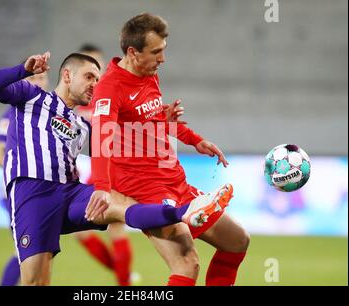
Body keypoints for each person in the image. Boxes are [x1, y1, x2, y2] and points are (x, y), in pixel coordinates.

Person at [0, 51, 229, 285]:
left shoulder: (82, 123)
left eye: (98, 80)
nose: (94, 84)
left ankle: (184, 212)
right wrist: (22, 70)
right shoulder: (32, 96)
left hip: (70, 193)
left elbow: (126, 132)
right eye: (89, 77)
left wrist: (166, 122)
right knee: (36, 281)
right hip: (33, 193)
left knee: (123, 204)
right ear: (67, 75)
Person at [87, 13, 249, 286]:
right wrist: (102, 186)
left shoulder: (149, 74)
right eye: (156, 52)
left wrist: (193, 139)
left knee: (237, 241)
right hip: (144, 190)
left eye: (164, 50)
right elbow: (100, 140)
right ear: (132, 52)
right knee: (187, 264)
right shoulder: (110, 87)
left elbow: (155, 122)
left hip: (173, 180)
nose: (162, 59)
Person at [74, 43, 135, 286]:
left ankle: (124, 281)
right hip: (98, 169)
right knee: (87, 231)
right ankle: (124, 277)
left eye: (96, 67)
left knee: (115, 228)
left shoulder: (112, 93)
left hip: (114, 168)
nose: (93, 73)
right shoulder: (81, 101)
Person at [0, 73, 49, 286]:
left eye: (43, 78)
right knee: (28, 253)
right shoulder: (13, 111)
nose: (39, 83)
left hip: (41, 192)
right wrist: (24, 172)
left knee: (42, 254)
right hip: (19, 192)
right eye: (34, 79)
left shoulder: (47, 111)